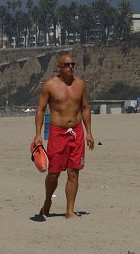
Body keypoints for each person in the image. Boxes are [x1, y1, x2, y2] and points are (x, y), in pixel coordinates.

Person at [33, 53, 94, 218]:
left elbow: (85, 108)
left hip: (77, 132)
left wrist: (89, 132)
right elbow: (40, 110)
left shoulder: (80, 84)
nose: (71, 67)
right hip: (57, 133)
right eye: (67, 65)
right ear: (59, 67)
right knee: (53, 172)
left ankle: (69, 210)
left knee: (74, 172)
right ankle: (47, 201)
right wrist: (38, 134)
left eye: (73, 64)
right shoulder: (49, 85)